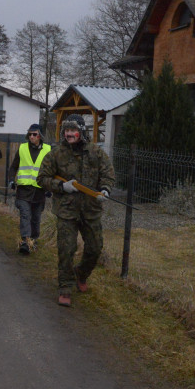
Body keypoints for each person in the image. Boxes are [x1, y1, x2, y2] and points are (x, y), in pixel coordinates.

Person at [37, 114, 115, 307]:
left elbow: (108, 174)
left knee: (95, 248)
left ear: (81, 132)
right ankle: (65, 287)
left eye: (73, 130)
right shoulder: (56, 154)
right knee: (66, 249)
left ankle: (81, 274)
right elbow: (42, 178)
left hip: (91, 210)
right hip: (66, 211)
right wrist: (62, 187)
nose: (69, 134)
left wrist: (105, 189)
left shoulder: (96, 153)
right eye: (67, 130)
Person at [8, 123, 51, 254]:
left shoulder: (48, 150)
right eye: (30, 134)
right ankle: (25, 242)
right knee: (25, 215)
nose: (31, 136)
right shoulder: (22, 149)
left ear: (40, 136)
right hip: (23, 190)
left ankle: (33, 240)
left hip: (39, 192)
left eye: (34, 134)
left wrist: (50, 187)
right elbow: (14, 166)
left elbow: (52, 171)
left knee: (36, 219)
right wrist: (11, 180)